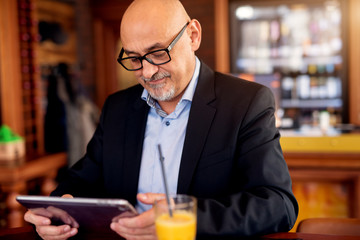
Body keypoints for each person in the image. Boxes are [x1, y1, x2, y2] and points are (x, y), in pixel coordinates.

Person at [24, 0, 298, 239]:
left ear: (193, 36)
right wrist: (55, 211)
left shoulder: (247, 103)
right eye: (134, 58)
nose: (147, 71)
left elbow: (278, 204)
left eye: (158, 53)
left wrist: (185, 222)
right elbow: (80, 182)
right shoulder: (118, 108)